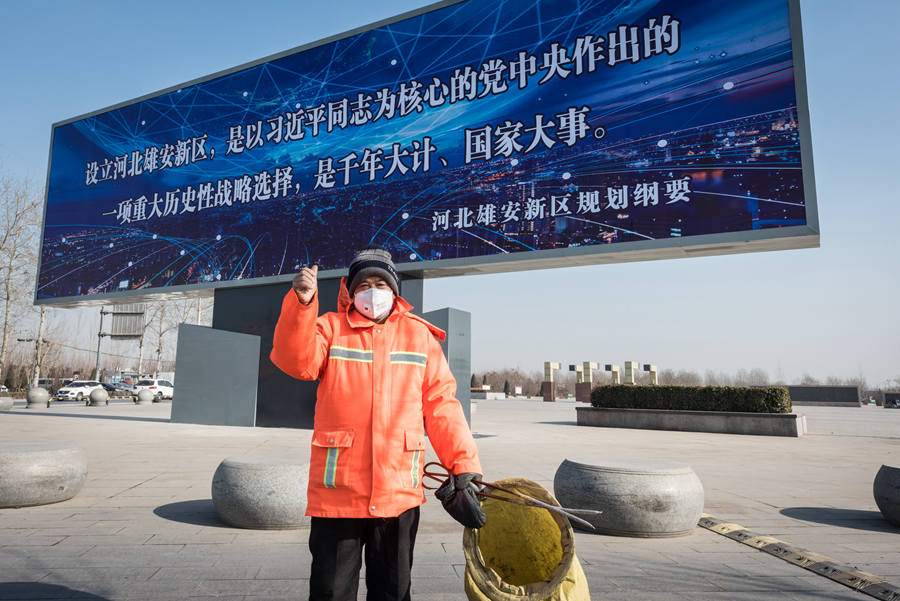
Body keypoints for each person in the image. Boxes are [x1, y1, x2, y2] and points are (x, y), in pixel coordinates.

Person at [270, 246, 484, 601]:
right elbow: (297, 362)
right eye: (364, 284)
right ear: (351, 292)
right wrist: (302, 304)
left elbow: (442, 405)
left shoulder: (420, 337)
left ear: (394, 290)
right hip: (339, 493)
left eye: (380, 283)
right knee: (330, 591)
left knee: (393, 591)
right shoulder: (329, 328)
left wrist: (463, 465)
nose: (373, 291)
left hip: (397, 493)